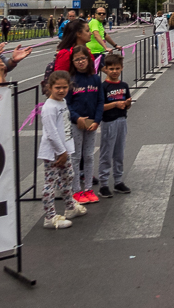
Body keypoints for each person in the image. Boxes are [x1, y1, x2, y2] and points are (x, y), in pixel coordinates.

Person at [39, 70, 86, 229]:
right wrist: (61, 152)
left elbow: (64, 127)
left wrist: (67, 150)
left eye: (64, 87)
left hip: (64, 150)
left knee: (68, 178)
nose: (61, 90)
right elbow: (51, 133)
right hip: (54, 153)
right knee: (50, 185)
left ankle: (70, 207)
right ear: (49, 87)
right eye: (57, 87)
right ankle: (50, 216)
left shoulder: (63, 102)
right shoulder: (49, 107)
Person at [66, 46, 104, 203]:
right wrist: (76, 118)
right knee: (75, 157)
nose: (81, 62)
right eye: (77, 59)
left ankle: (88, 188)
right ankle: (76, 190)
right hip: (77, 122)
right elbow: (66, 104)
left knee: (88, 156)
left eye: (83, 58)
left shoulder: (95, 78)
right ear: (73, 62)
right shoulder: (71, 79)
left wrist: (97, 120)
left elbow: (100, 100)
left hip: (91, 122)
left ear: (89, 60)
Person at [98, 54, 132, 198]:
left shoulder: (124, 86)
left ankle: (118, 181)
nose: (114, 71)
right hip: (108, 122)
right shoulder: (103, 86)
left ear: (122, 68)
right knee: (107, 152)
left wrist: (127, 104)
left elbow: (127, 104)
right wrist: (115, 104)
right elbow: (100, 107)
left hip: (122, 120)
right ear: (105, 69)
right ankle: (104, 183)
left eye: (117, 68)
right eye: (111, 69)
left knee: (119, 152)